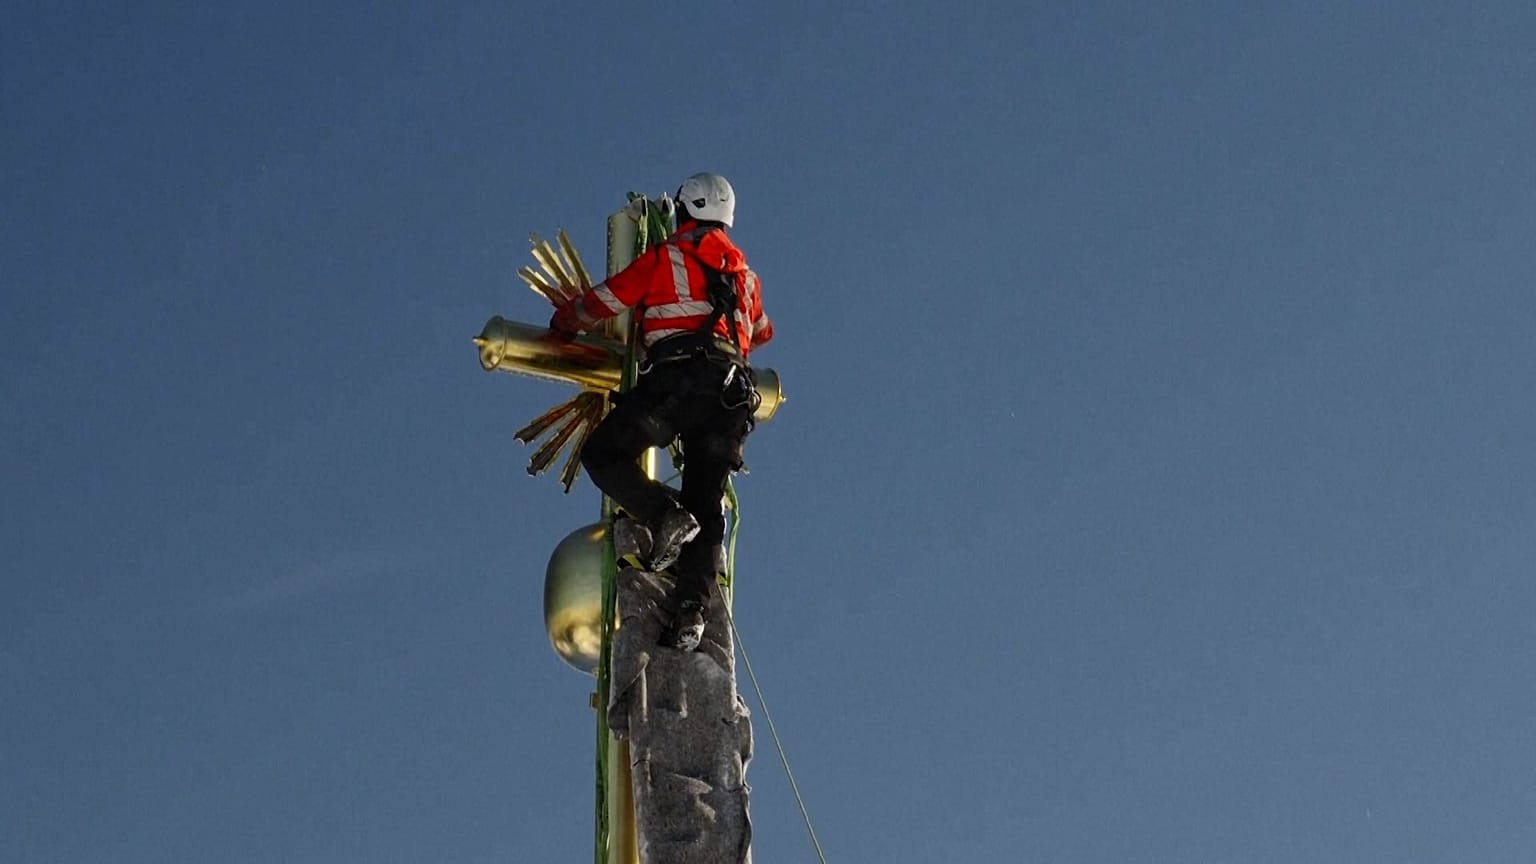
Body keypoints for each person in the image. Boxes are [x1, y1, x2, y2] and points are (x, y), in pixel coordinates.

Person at [549, 173, 773, 650]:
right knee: (707, 503)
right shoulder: (746, 276)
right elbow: (763, 329)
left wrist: (566, 321)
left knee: (605, 454)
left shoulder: (668, 257)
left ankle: (663, 514)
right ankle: (692, 611)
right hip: (733, 398)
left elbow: (608, 300)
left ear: (685, 210)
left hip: (680, 381)